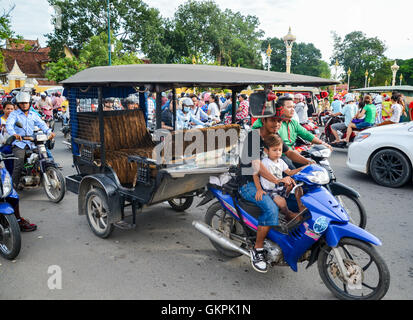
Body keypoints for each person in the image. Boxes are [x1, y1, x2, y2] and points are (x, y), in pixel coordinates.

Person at [239, 101, 315, 273]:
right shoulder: (253, 137)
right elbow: (257, 166)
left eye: (279, 121)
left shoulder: (274, 137)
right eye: (273, 120)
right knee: (272, 209)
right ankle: (257, 250)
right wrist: (278, 180)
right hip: (249, 183)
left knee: (299, 192)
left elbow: (289, 153)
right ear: (263, 120)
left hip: (269, 182)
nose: (277, 124)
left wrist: (309, 162)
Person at [255, 134, 307, 219]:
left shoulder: (281, 161)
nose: (278, 152)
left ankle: (301, 208)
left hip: (280, 188)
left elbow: (290, 172)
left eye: (280, 150)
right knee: (282, 202)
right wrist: (259, 189)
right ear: (266, 151)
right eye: (274, 150)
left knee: (298, 188)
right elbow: (256, 174)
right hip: (270, 190)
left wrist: (301, 168)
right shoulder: (264, 162)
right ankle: (287, 214)